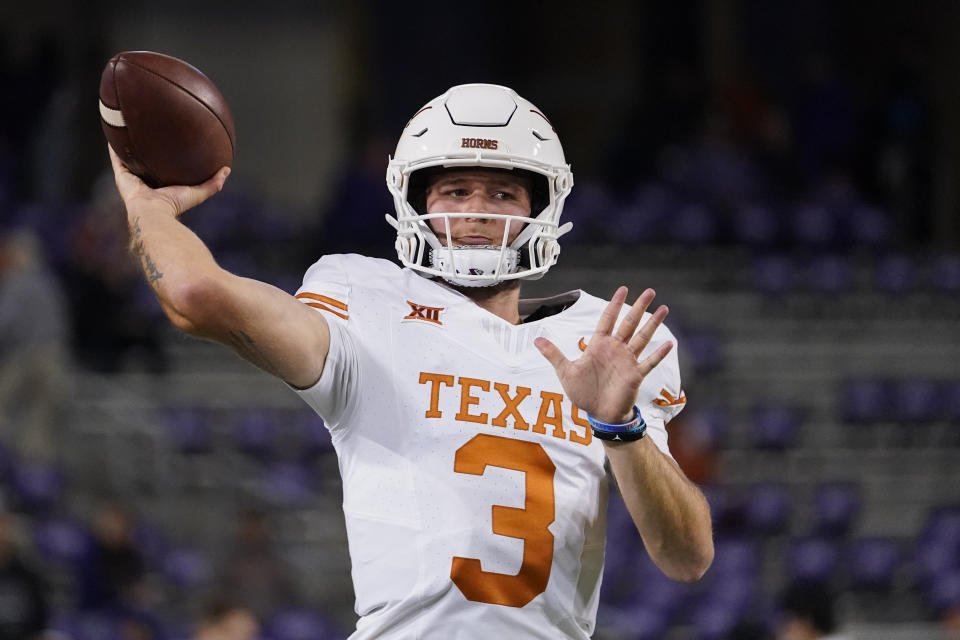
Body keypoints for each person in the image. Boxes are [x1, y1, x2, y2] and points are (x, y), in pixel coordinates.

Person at [107, 83, 714, 638]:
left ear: (540, 210)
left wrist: (620, 428)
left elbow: (687, 557)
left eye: (503, 192)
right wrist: (149, 209)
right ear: (416, 202)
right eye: (454, 191)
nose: (476, 211)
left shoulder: (604, 338)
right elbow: (193, 296)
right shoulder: (367, 301)